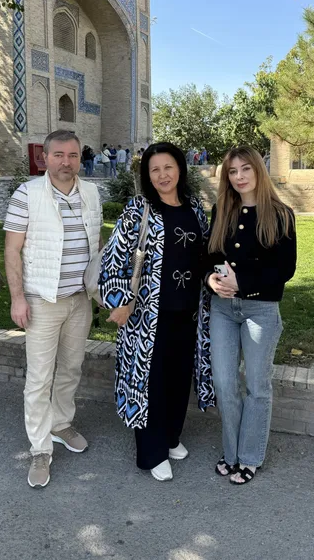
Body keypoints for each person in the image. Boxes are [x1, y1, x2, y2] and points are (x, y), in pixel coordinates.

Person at [99, 143, 214, 481]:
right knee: (151, 381)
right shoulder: (139, 209)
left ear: (180, 168)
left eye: (168, 167)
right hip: (148, 316)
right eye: (155, 170)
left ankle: (171, 436)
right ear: (147, 176)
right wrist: (120, 300)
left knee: (179, 378)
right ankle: (152, 452)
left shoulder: (194, 207)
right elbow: (116, 257)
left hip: (188, 312)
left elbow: (205, 252)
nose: (163, 175)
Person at [4, 130, 102, 489]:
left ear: (80, 159)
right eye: (58, 155)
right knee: (39, 378)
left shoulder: (91, 193)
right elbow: (12, 249)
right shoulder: (27, 194)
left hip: (79, 300)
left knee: (71, 369)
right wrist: (17, 298)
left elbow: (96, 244)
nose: (66, 162)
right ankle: (40, 448)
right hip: (42, 301)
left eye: (73, 155)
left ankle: (60, 424)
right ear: (44, 158)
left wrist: (100, 289)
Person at [205, 145, 296, 485]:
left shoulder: (281, 214)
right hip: (223, 310)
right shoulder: (222, 210)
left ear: (258, 170)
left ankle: (250, 457)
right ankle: (231, 452)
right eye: (232, 171)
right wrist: (210, 279)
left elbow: (285, 269)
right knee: (224, 383)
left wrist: (242, 282)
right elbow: (209, 256)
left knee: (256, 385)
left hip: (261, 310)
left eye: (246, 169)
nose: (239, 176)